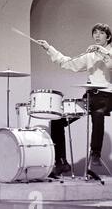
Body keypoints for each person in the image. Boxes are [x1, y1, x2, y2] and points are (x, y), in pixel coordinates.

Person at [37, 23, 112, 176]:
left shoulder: (108, 52)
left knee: (98, 113)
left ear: (108, 37)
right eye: (95, 33)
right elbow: (67, 63)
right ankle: (61, 162)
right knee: (58, 120)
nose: (97, 36)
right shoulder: (90, 55)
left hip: (108, 96)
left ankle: (95, 154)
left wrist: (102, 51)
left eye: (101, 33)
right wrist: (48, 48)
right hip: (91, 96)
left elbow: (110, 65)